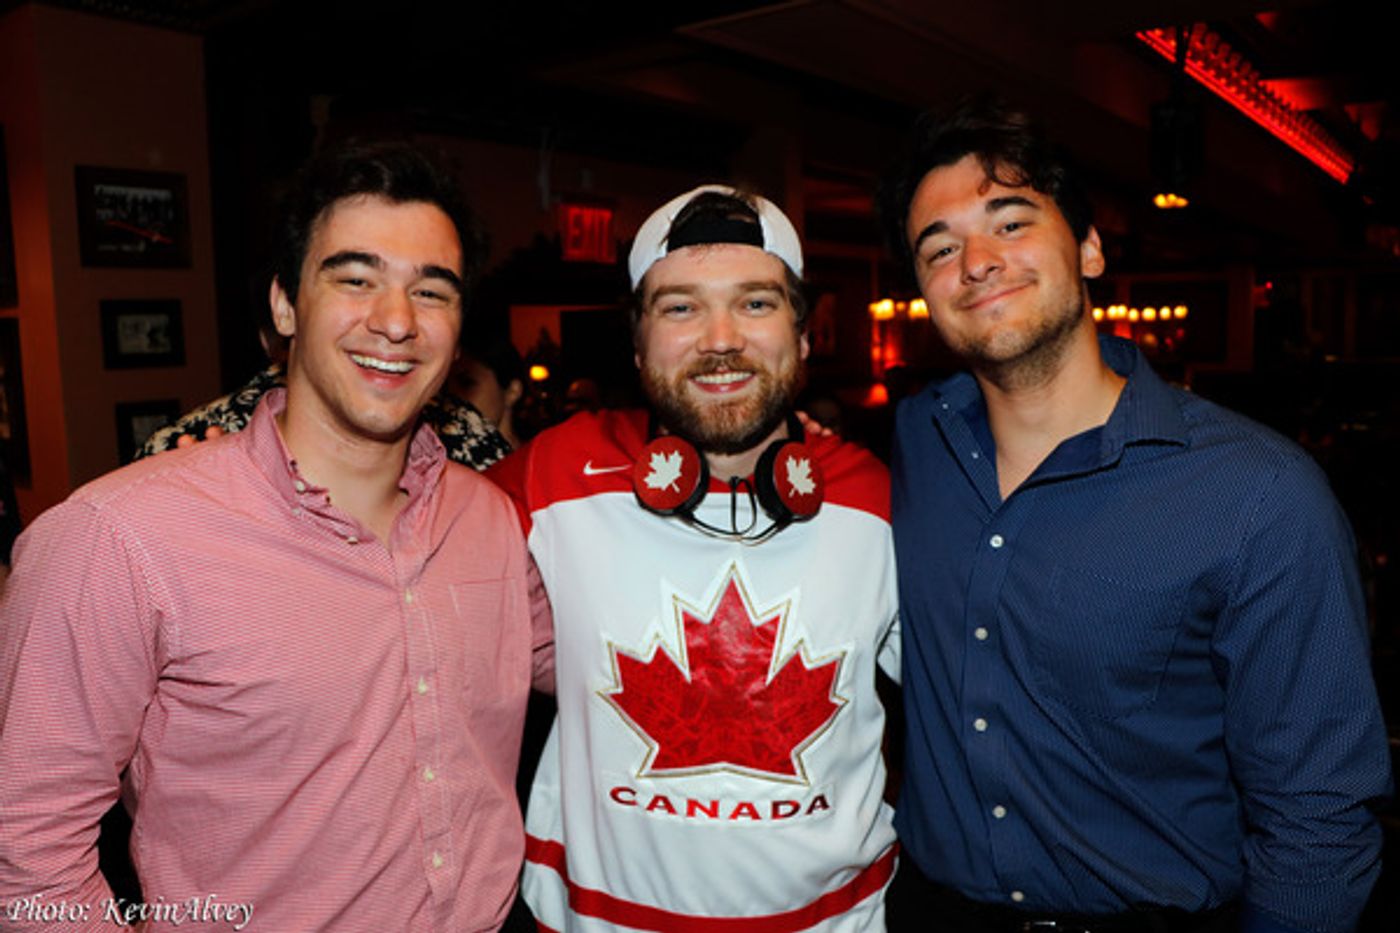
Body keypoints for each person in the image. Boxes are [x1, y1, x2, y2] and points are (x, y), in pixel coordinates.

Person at [0, 141, 552, 931]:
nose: (396, 321)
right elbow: (27, 854)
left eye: (431, 291)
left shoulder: (490, 519)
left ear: (458, 329)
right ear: (285, 305)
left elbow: (606, 662)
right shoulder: (119, 538)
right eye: (355, 279)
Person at [879, 97, 1392, 933]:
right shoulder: (912, 443)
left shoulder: (1259, 495)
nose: (975, 260)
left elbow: (1319, 816)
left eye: (1010, 223)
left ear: (1088, 247)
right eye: (939, 247)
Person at [490, 186, 899, 931]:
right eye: (680, 307)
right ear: (638, 343)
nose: (721, 338)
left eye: (755, 304)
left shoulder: (881, 501)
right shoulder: (552, 472)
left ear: (804, 337)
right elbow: (402, 527)